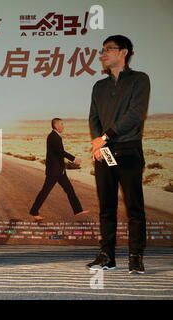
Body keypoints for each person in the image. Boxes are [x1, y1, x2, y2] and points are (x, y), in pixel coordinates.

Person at [87, 35, 150, 274]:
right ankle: (107, 256)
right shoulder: (99, 86)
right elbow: (93, 118)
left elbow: (136, 114)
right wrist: (97, 144)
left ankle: (136, 256)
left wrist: (105, 137)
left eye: (108, 49)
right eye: (102, 50)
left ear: (123, 52)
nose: (102, 54)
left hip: (128, 149)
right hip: (104, 153)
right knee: (106, 206)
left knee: (134, 206)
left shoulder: (139, 80)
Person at [29, 118, 89, 221]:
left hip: (59, 170)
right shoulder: (53, 137)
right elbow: (61, 152)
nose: (63, 126)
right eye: (61, 124)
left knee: (69, 190)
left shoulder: (55, 136)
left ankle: (78, 210)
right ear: (56, 126)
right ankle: (34, 211)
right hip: (54, 171)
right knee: (45, 191)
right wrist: (74, 159)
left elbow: (58, 153)